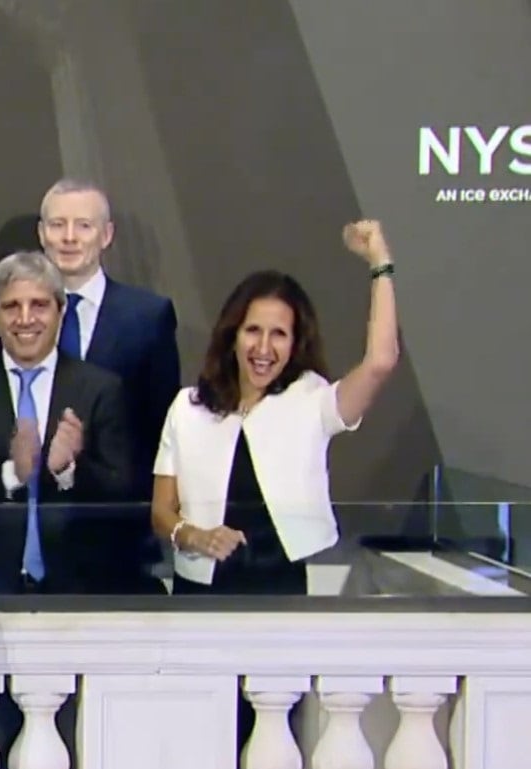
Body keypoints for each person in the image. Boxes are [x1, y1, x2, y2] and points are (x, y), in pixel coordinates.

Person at [151, 221, 399, 595]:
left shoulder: (312, 399)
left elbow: (381, 361)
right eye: (253, 330)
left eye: (279, 334)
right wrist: (195, 537)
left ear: (296, 343)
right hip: (198, 591)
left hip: (278, 588)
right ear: (232, 334)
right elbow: (161, 512)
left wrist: (380, 263)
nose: (263, 348)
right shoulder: (187, 408)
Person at [0, 252, 134, 603]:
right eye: (11, 307)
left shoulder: (99, 388)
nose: (25, 319)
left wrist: (69, 469)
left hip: (79, 589)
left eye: (39, 305)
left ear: (61, 311)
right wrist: (11, 475)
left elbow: (123, 489)